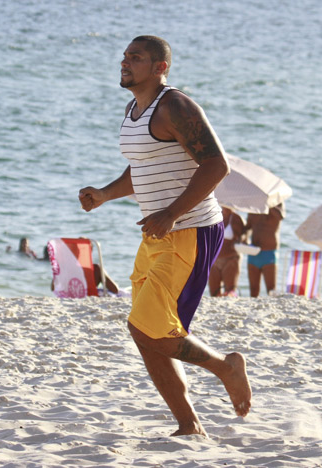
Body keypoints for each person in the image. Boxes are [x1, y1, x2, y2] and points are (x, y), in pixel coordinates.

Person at [78, 36, 251, 436]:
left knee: (146, 328)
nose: (125, 63)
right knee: (146, 332)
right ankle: (189, 425)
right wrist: (105, 194)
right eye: (124, 57)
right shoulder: (133, 109)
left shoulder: (175, 105)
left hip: (190, 230)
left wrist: (173, 212)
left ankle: (226, 368)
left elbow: (217, 165)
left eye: (135, 58)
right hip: (157, 232)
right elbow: (140, 169)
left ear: (160, 67)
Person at [245, 203, 285, 297]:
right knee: (253, 290)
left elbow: (280, 216)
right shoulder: (254, 206)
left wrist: (268, 203)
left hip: (269, 253)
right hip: (253, 252)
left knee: (271, 290)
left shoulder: (278, 203)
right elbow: (247, 228)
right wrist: (243, 239)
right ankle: (253, 310)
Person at [208, 207, 245, 296]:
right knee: (214, 293)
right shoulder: (216, 215)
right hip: (214, 259)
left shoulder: (236, 218)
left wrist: (240, 239)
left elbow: (244, 235)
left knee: (229, 292)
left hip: (230, 258)